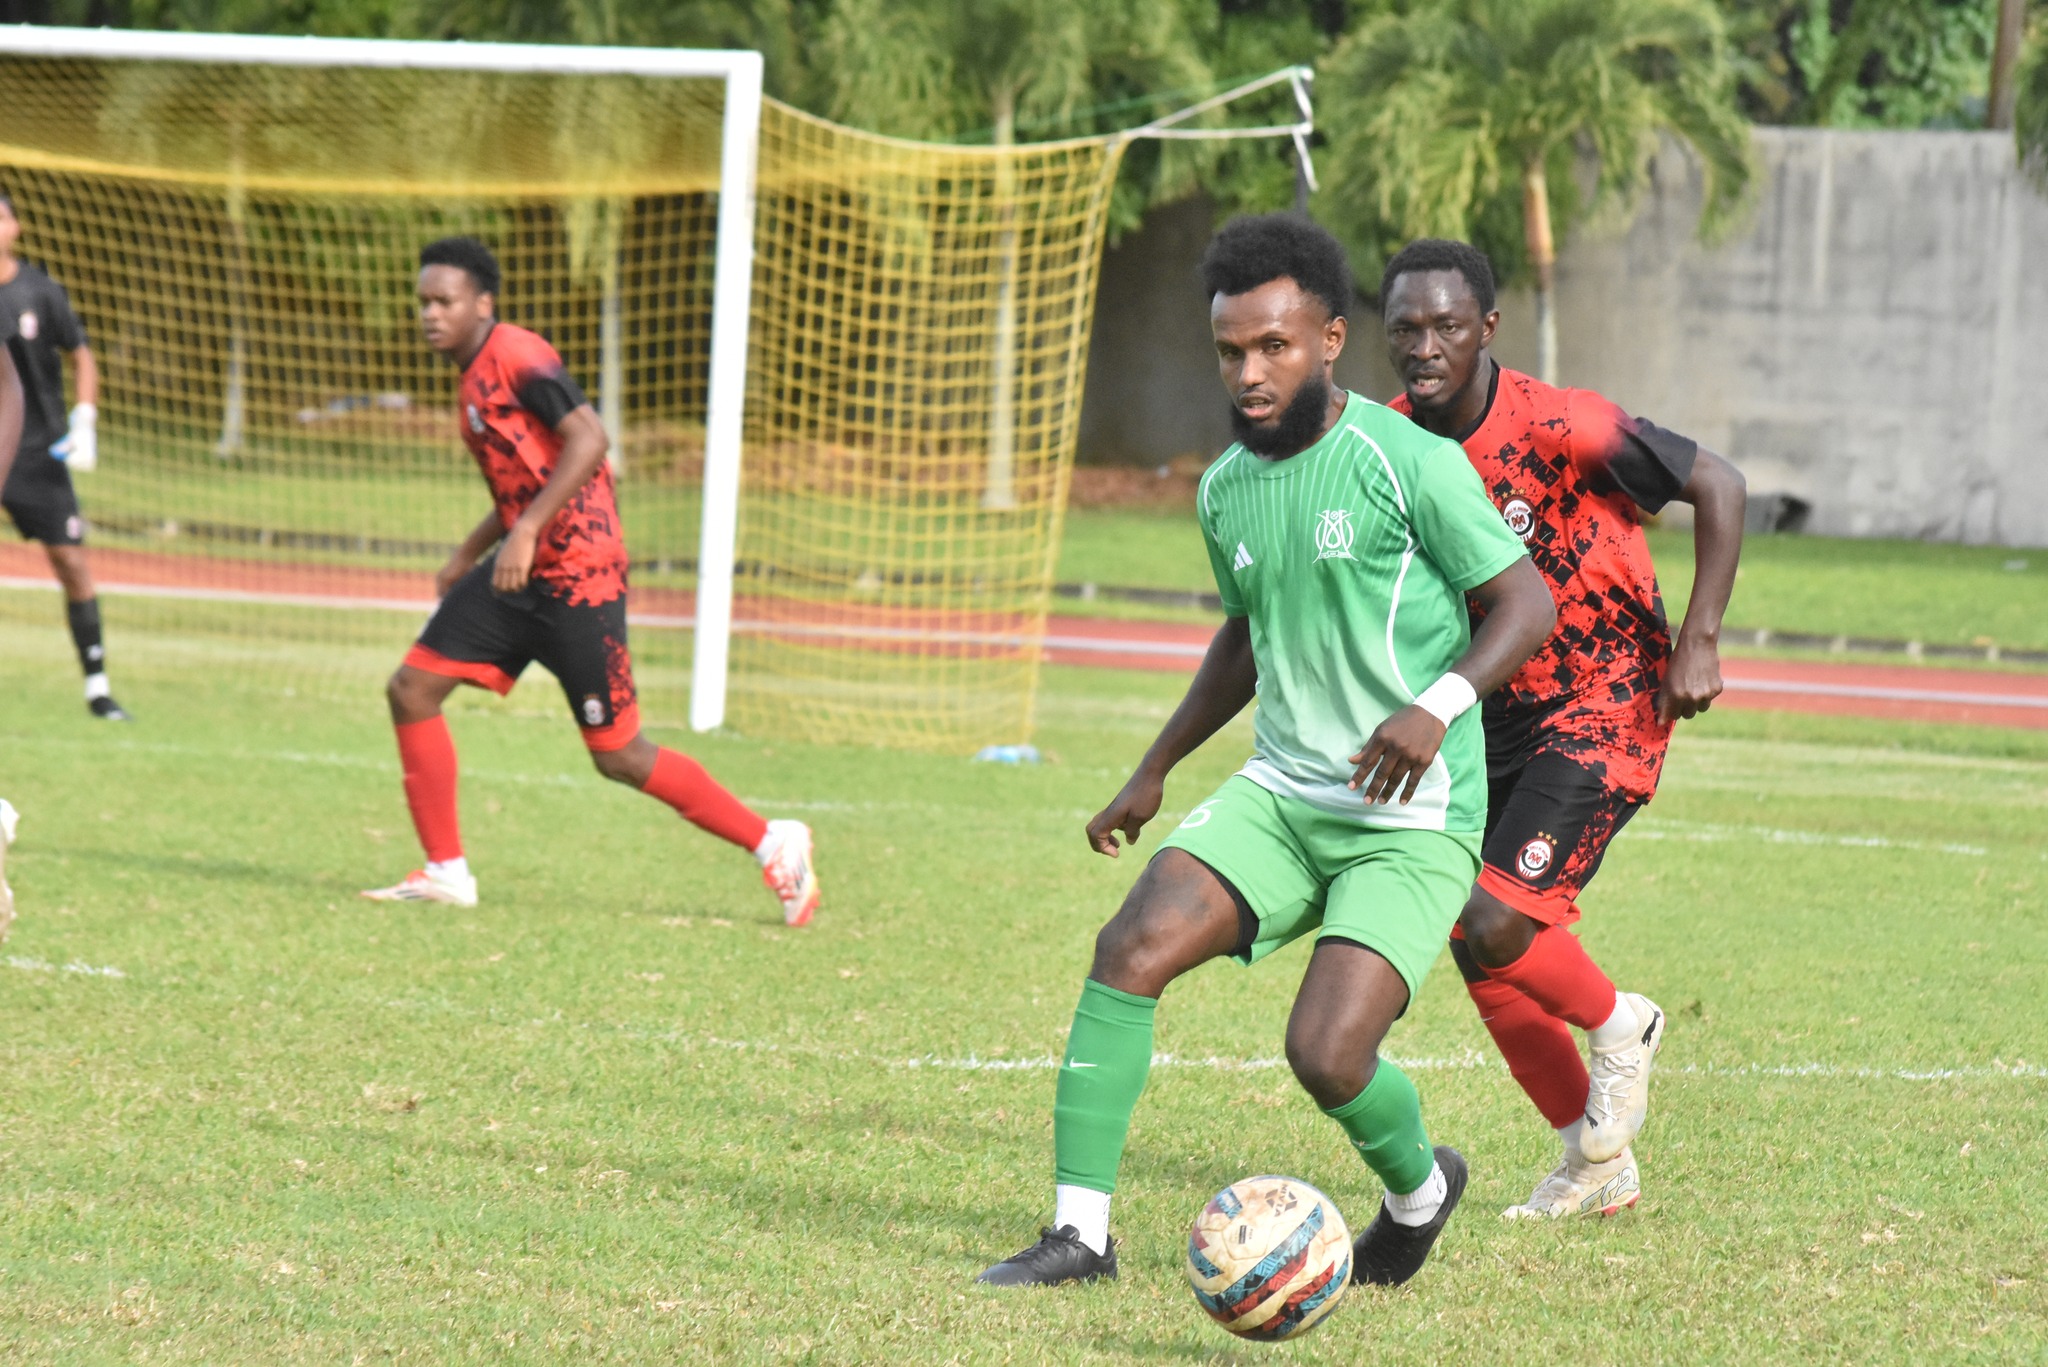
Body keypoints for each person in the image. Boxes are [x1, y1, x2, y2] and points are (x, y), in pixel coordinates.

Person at [977, 214, 1556, 1292]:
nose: (1247, 373)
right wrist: (1153, 768)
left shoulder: (1406, 460)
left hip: (1412, 813)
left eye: (1272, 347)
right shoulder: (1223, 486)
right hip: (1284, 795)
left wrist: (1433, 704)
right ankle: (1080, 1234)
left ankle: (1420, 1191)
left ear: (1330, 339)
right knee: (1130, 942)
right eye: (1229, 350)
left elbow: (1525, 601)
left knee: (1324, 1052)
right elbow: (1244, 635)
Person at [1380, 239, 1745, 1220]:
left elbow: (1718, 482)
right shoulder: (1387, 445)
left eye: (1446, 325)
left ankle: (1622, 1021)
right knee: (1473, 936)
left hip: (1608, 697)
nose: (1424, 345)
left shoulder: (1566, 425)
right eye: (1405, 328)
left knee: (1498, 916)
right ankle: (1593, 1167)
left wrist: (1697, 641)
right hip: (1490, 711)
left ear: (1485, 328)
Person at [362, 237, 819, 926]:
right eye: (423, 301)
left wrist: (524, 531)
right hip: (520, 573)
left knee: (620, 756)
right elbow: (523, 484)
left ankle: (771, 840)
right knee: (413, 687)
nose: (430, 314)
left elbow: (589, 437)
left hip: (580, 575)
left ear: (482, 304)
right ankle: (446, 870)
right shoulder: (468, 384)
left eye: (444, 301)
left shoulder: (518, 354)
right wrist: (471, 552)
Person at [0, 191, 130, 721]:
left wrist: (85, 420)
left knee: (72, 563)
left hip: (36, 452)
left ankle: (97, 687)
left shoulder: (40, 291)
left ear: (17, 227)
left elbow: (82, 354)